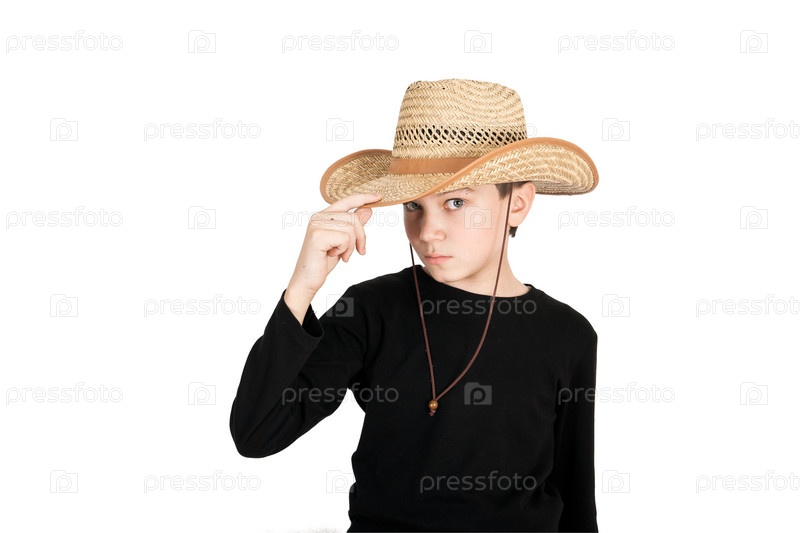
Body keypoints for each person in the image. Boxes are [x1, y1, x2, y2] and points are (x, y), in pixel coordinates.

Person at [230, 78, 600, 531]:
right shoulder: (372, 310)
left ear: (517, 204)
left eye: (456, 201)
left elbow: (574, 494)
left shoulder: (567, 335)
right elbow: (256, 433)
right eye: (413, 206)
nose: (427, 232)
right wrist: (302, 289)